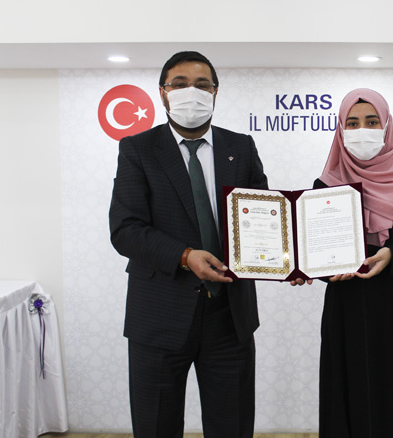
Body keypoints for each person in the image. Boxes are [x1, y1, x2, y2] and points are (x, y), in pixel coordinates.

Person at [109, 51, 268, 438]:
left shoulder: (241, 147)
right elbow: (125, 229)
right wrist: (184, 256)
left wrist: (288, 260)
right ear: (163, 93)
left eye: (202, 84)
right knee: (156, 427)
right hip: (159, 316)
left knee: (232, 428)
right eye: (179, 84)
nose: (191, 92)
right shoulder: (138, 149)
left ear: (215, 92)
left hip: (229, 317)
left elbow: (263, 219)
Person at [296, 88, 393, 437]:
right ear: (340, 129)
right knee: (349, 392)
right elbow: (319, 254)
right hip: (347, 308)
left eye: (371, 121)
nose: (361, 130)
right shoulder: (327, 184)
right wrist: (306, 268)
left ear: (386, 126)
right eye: (352, 123)